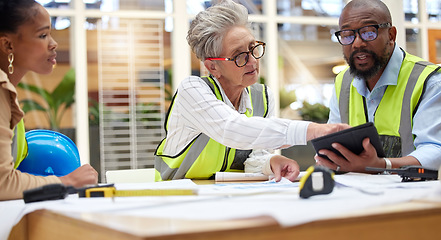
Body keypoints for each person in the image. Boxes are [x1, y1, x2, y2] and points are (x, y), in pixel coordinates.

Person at [154, 0, 349, 182]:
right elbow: (232, 129)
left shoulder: (262, 97)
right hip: (175, 194)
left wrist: (270, 162)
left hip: (224, 195)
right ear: (213, 67)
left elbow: (252, 158)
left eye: (253, 48)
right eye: (239, 56)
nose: (253, 61)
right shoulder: (192, 90)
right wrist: (313, 130)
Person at [316, 0, 441, 173]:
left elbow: (435, 149)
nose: (357, 43)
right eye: (347, 34)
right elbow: (334, 140)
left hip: (412, 194)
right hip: (357, 194)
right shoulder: (343, 82)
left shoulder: (428, 80)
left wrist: (383, 165)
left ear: (391, 35)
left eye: (368, 32)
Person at [0, 0, 98, 201]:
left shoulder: (8, 91)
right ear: (8, 44)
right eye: (43, 35)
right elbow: (3, 183)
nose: (53, 43)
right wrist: (67, 181)